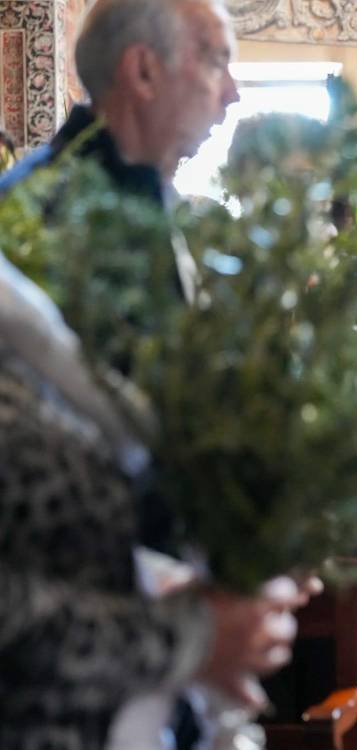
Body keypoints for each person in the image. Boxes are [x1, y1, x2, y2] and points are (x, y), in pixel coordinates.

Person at [0, 2, 303, 745]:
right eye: (215, 60)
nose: (231, 91)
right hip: (70, 673)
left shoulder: (146, 200)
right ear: (142, 70)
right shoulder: (52, 213)